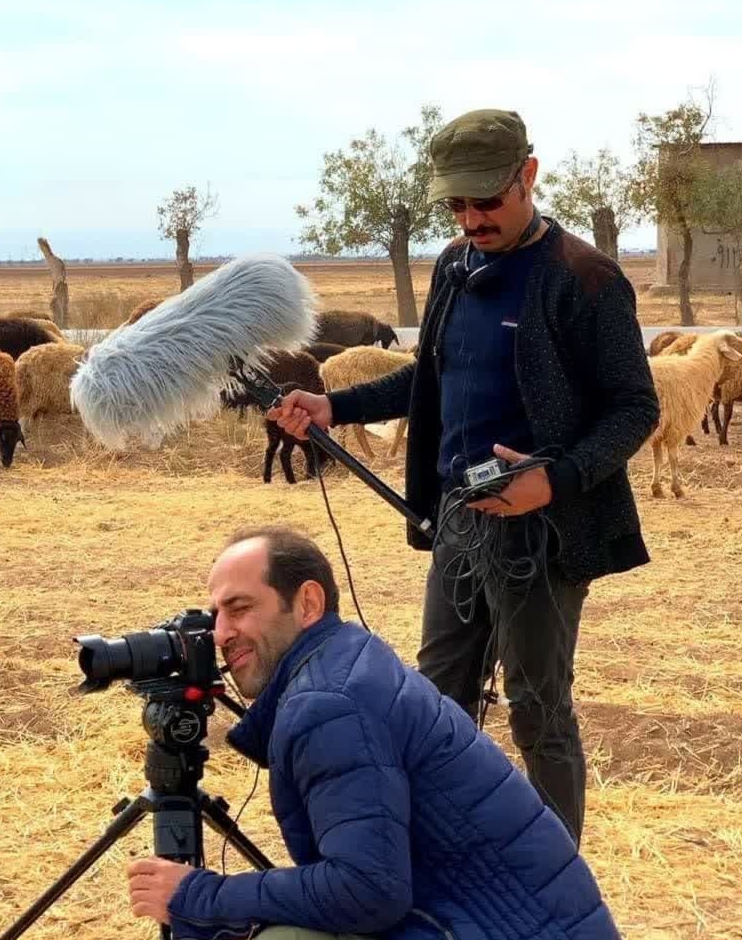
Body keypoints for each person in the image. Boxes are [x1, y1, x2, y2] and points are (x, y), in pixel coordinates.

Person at [269, 109, 660, 844]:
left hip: (542, 530)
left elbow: (635, 407)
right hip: (459, 519)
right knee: (437, 695)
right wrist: (334, 404)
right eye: (457, 203)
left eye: (487, 200)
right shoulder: (454, 265)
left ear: (529, 176)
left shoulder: (585, 278)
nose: (472, 217)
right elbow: (433, 378)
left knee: (538, 707)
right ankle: (446, 861)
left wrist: (556, 479)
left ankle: (554, 887)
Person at [126, 526, 621, 940]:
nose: (219, 633)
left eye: (239, 608)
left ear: (308, 603)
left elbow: (367, 890)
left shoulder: (328, 703)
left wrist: (200, 896)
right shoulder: (341, 664)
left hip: (509, 934)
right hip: (509, 925)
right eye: (215, 615)